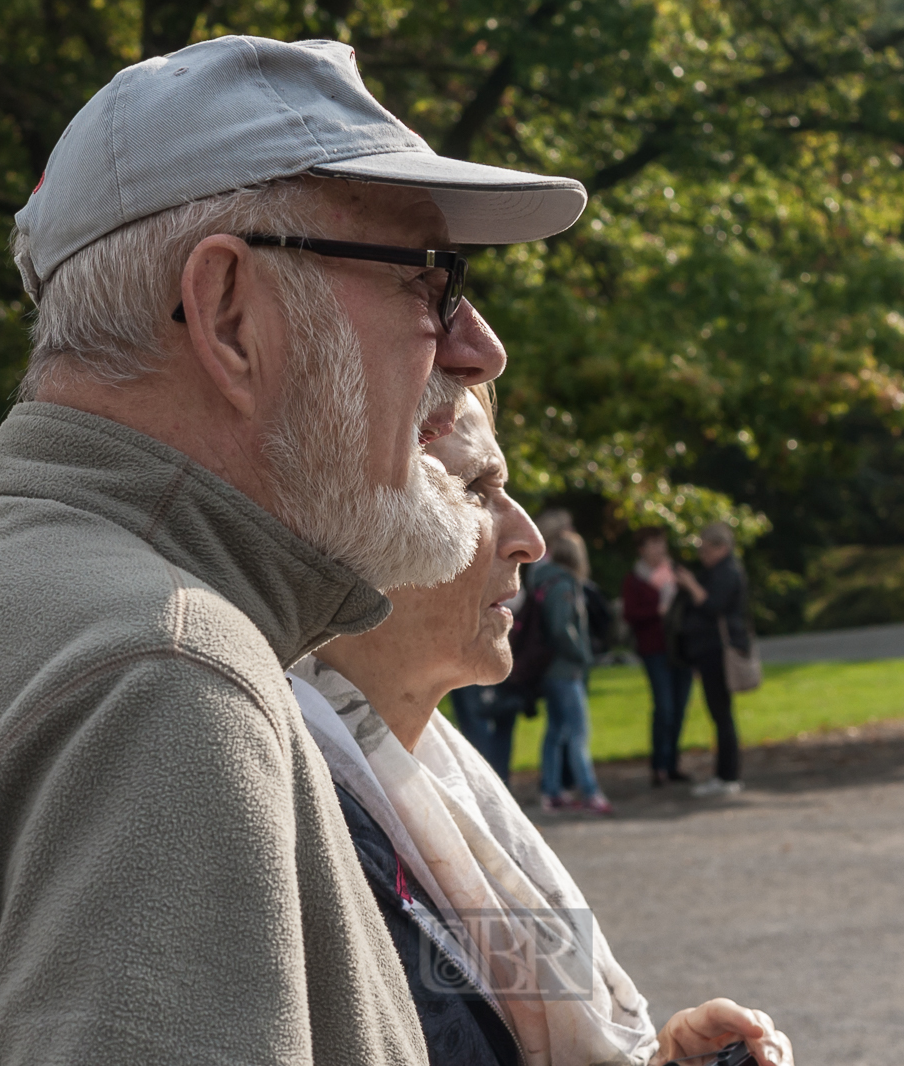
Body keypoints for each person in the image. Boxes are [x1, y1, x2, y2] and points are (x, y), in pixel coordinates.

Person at [0, 35, 587, 1066]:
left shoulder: (18, 605)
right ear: (229, 313)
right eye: (429, 279)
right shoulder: (161, 675)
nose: (478, 347)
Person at [289, 389, 794, 1066]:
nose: (528, 539)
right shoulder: (282, 816)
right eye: (472, 488)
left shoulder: (444, 785)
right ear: (333, 536)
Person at [532, 530, 612, 814]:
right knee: (578, 732)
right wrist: (583, 654)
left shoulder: (542, 578)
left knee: (556, 732)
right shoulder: (563, 584)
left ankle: (552, 790)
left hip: (548, 668)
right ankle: (590, 791)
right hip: (565, 669)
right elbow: (561, 627)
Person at [673, 523, 750, 797]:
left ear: (722, 548)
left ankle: (728, 775)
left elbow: (713, 605)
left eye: (706, 549)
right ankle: (724, 774)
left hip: (718, 651)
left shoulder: (727, 572)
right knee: (719, 714)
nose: (702, 555)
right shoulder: (717, 571)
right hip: (707, 652)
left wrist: (691, 585)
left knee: (722, 714)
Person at [622, 527, 693, 787]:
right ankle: (659, 765)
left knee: (680, 707)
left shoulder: (675, 573)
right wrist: (658, 611)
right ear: (642, 549)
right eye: (653, 544)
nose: (659, 549)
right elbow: (631, 614)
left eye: (661, 543)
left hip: (681, 649)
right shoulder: (635, 579)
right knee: (664, 707)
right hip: (654, 649)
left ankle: (673, 762)